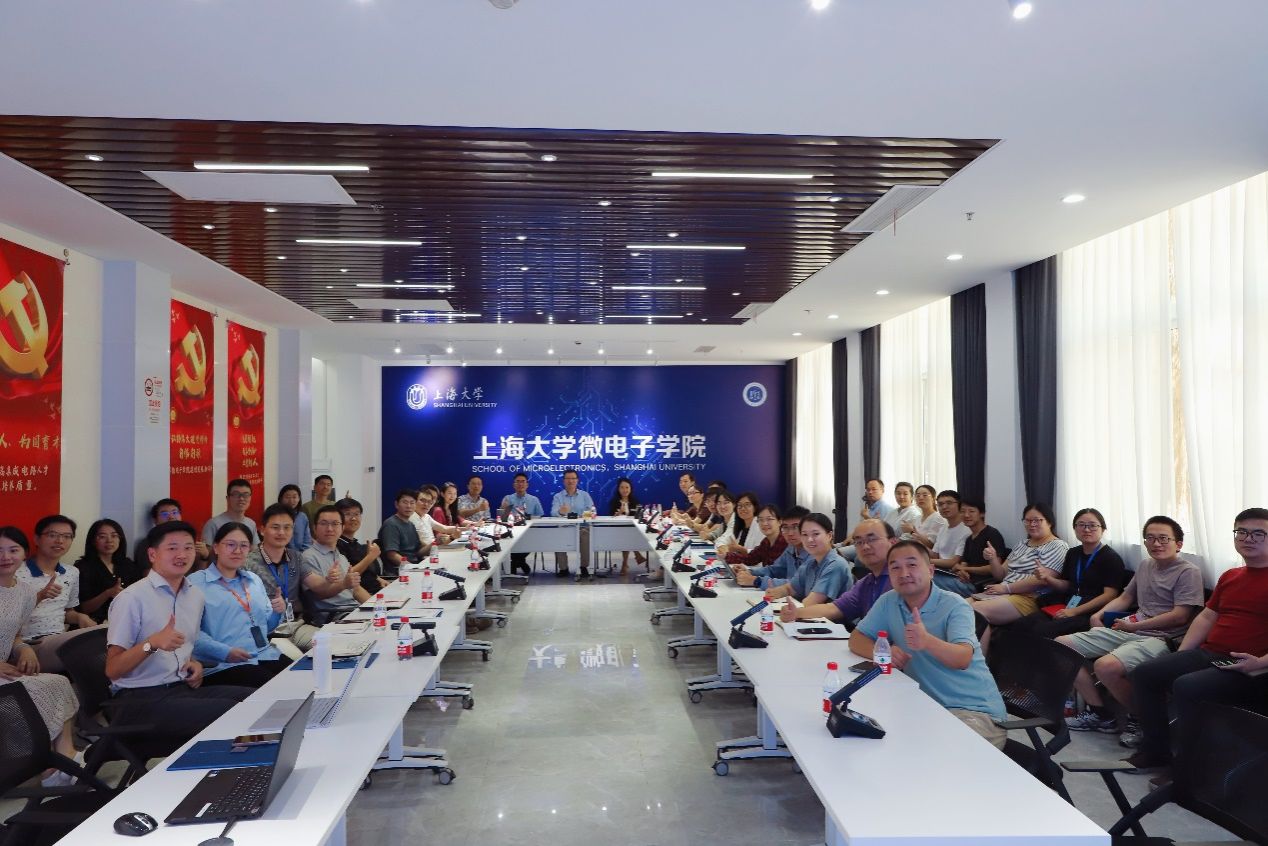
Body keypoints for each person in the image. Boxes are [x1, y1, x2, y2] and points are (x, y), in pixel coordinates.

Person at [1125, 508, 1268, 779]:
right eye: (1242, 532)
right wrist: (1181, 655)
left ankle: (1190, 772)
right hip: (1212, 653)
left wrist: (1259, 663)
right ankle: (1155, 752)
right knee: (1145, 673)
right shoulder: (1231, 576)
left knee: (1187, 686)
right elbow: (1206, 617)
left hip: (1250, 665)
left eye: (1258, 533)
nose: (1248, 538)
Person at [1059, 516, 1203, 747]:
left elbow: (1180, 616)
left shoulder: (1188, 572)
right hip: (1129, 628)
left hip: (1162, 637)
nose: (1156, 543)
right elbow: (1126, 597)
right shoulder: (1145, 565)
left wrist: (1134, 626)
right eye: (1150, 538)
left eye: (1163, 538)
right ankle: (1100, 713)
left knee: (1105, 666)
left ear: (1178, 544)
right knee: (1060, 645)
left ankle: (1143, 718)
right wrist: (1098, 615)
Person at [850, 541, 1008, 749]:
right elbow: (857, 638)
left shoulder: (955, 605)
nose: (904, 573)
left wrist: (927, 641)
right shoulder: (889, 601)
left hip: (973, 711)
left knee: (936, 756)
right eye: (895, 567)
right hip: (924, 705)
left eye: (912, 565)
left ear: (931, 571)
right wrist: (883, 651)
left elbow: (962, 659)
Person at [105, 521, 251, 745]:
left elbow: (185, 648)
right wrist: (152, 643)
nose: (182, 555)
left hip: (180, 690)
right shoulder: (132, 598)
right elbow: (113, 669)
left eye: (188, 547)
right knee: (231, 711)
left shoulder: (195, 596)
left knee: (255, 699)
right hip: (138, 699)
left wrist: (194, 663)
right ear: (152, 554)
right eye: (172, 548)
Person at [0, 526, 82, 786]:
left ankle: (66, 757)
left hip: (5, 668)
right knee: (29, 693)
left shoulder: (25, 592)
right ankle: (48, 769)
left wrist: (23, 649)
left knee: (57, 682)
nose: (5, 557)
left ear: (24, 553)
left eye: (13, 550)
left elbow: (15, 635)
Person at [188, 523, 293, 687]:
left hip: (264, 654)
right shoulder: (196, 583)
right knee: (277, 687)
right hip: (224, 664)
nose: (237, 551)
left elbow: (267, 627)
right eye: (230, 545)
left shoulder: (253, 580)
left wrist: (277, 612)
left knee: (303, 676)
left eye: (243, 546)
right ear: (216, 548)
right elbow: (190, 634)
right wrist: (226, 652)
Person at [968, 502, 1069, 650]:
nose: (1032, 524)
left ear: (1049, 522)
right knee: (959, 606)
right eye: (1027, 521)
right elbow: (1001, 574)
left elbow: (1041, 581)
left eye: (1037, 520)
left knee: (974, 611)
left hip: (1028, 597)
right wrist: (993, 559)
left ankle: (979, 659)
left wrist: (1006, 588)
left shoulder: (1058, 546)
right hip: (1002, 591)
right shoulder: (1022, 544)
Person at [1011, 508, 1125, 640]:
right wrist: (1047, 578)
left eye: (1092, 525)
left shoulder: (1111, 558)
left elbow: (1109, 596)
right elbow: (1066, 585)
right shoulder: (1073, 553)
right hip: (1067, 605)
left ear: (1103, 529)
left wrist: (1074, 611)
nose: (1086, 529)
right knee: (1021, 625)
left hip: (1090, 612)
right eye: (1081, 525)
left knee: (1041, 632)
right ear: (1075, 529)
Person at [17, 515, 98, 673]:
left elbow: (67, 612)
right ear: (37, 539)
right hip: (28, 642)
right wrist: (39, 596)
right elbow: (7, 617)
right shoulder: (17, 572)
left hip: (58, 638)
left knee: (106, 636)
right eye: (52, 535)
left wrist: (80, 617)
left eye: (67, 536)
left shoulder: (72, 572)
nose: (60, 541)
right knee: (89, 656)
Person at [782, 519, 896, 627]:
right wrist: (795, 613)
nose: (865, 546)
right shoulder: (866, 582)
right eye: (859, 542)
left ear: (893, 542)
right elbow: (834, 608)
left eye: (872, 539)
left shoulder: (899, 579)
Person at [243, 503, 319, 656]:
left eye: (287, 527)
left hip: (295, 625)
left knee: (329, 643)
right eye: (275, 527)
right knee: (296, 658)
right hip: (269, 632)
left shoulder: (295, 556)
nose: (281, 532)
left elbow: (318, 585)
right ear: (262, 530)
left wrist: (338, 582)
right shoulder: (248, 563)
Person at [301, 505, 372, 623]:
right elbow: (319, 594)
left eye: (335, 524)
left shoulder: (341, 557)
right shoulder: (308, 557)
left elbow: (356, 590)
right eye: (324, 523)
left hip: (354, 611)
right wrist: (343, 584)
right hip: (335, 616)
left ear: (342, 528)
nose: (329, 529)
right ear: (314, 528)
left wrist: (378, 607)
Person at [764, 513, 850, 605]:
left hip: (824, 615)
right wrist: (776, 592)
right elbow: (790, 588)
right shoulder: (810, 563)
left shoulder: (836, 564)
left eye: (816, 534)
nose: (809, 539)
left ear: (829, 536)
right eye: (804, 534)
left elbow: (810, 603)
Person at [75, 518, 143, 623]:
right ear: (93, 541)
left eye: (114, 536)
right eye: (102, 536)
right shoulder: (82, 567)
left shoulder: (127, 564)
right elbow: (84, 608)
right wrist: (107, 593)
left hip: (125, 621)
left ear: (120, 539)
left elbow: (140, 596)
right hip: (94, 624)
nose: (109, 540)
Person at [734, 506, 810, 589]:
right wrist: (750, 572)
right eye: (785, 527)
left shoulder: (814, 553)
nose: (790, 533)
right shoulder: (791, 548)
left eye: (795, 527)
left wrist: (757, 581)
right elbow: (775, 569)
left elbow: (799, 584)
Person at [135, 498, 210, 575]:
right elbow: (149, 576)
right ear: (155, 520)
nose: (171, 517)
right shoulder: (148, 543)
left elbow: (199, 577)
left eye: (175, 512)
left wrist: (204, 557)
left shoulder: (188, 541)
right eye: (164, 514)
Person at [952, 498, 1008, 591]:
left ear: (982, 514)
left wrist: (966, 569)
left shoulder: (992, 534)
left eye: (971, 511)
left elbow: (994, 568)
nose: (966, 515)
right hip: (965, 581)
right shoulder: (969, 539)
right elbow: (964, 564)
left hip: (980, 585)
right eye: (962, 511)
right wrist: (962, 572)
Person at [551, 469, 595, 580]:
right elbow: (553, 512)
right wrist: (561, 511)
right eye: (568, 478)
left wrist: (581, 516)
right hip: (564, 528)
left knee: (585, 534)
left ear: (577, 480)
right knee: (557, 535)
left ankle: (584, 567)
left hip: (582, 528)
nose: (570, 481)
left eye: (573, 478)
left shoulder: (584, 495)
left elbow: (592, 512)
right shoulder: (558, 496)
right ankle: (563, 568)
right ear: (564, 481)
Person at [335, 497, 386, 594]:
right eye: (347, 514)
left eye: (356, 514)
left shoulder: (355, 543)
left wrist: (378, 579)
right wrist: (370, 557)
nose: (353, 518)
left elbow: (365, 571)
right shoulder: (337, 544)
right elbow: (347, 576)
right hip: (363, 595)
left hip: (377, 590)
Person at [500, 473, 544, 575]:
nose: (520, 484)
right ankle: (520, 562)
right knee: (507, 540)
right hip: (512, 531)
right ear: (514, 485)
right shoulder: (508, 498)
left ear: (527, 484)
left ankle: (515, 562)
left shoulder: (534, 499)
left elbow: (540, 516)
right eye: (518, 482)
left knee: (532, 540)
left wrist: (530, 518)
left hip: (529, 532)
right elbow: (502, 518)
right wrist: (503, 509)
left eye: (523, 482)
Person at [378, 488, 422, 580]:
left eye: (412, 503)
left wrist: (435, 544)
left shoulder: (411, 524)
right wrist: (413, 569)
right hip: (399, 572)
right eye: (405, 502)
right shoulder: (391, 524)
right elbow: (392, 555)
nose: (408, 506)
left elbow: (418, 551)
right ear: (396, 504)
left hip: (413, 566)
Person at [727, 504, 786, 569]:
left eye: (769, 519)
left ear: (780, 522)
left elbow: (775, 571)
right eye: (761, 520)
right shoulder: (766, 542)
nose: (764, 523)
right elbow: (750, 559)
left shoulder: (785, 542)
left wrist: (751, 572)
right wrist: (726, 556)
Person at [607, 477, 647, 575]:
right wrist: (619, 512)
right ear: (618, 489)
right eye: (622, 487)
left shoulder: (635, 501)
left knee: (628, 535)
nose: (624, 490)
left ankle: (625, 564)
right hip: (617, 529)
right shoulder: (614, 501)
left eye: (627, 487)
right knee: (625, 535)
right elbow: (611, 516)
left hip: (633, 529)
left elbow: (639, 515)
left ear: (630, 489)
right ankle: (635, 555)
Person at [202, 478, 258, 547]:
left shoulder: (251, 523)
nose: (241, 498)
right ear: (227, 498)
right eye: (236, 494)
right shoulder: (213, 524)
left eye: (246, 495)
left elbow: (255, 550)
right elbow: (205, 552)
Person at [901, 484, 947, 550]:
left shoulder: (938, 518)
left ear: (933, 498)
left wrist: (912, 531)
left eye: (925, 495)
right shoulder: (918, 518)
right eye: (918, 495)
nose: (921, 498)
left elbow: (931, 545)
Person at [716, 492, 762, 557]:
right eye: (740, 506)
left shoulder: (760, 526)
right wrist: (723, 547)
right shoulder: (739, 525)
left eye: (747, 505)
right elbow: (722, 540)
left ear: (755, 507)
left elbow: (762, 553)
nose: (743, 508)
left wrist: (742, 550)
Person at [277, 484, 312, 552]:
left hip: (301, 555)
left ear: (299, 499)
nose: (291, 500)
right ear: (281, 498)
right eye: (287, 497)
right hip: (280, 554)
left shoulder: (302, 517)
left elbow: (307, 541)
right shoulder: (275, 516)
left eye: (294, 497)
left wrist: (303, 555)